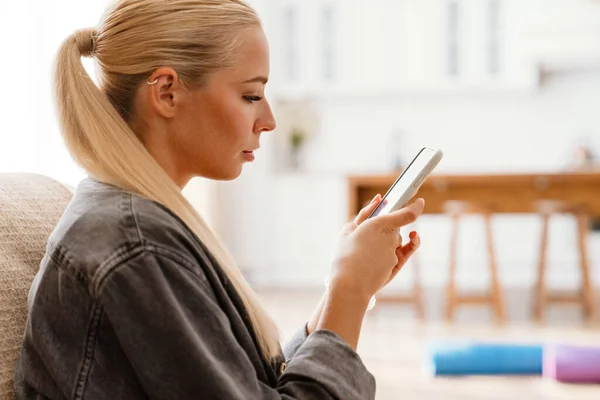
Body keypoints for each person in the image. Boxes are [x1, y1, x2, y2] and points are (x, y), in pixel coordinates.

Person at [15, 0, 425, 398]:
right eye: (250, 95)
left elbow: (246, 383)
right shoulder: (134, 243)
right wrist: (350, 290)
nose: (268, 121)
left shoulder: (134, 219)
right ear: (167, 93)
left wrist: (340, 293)